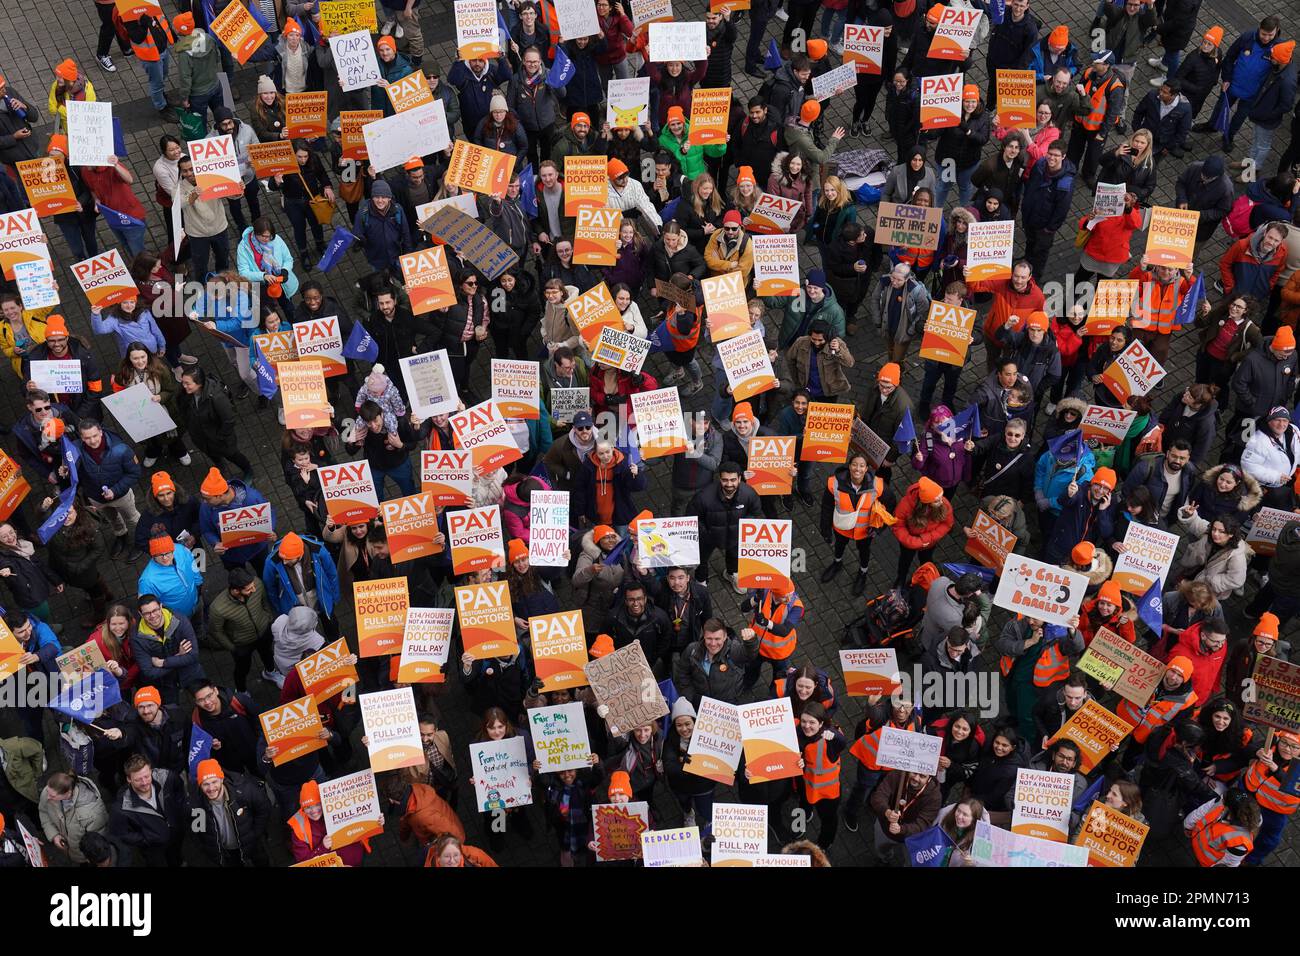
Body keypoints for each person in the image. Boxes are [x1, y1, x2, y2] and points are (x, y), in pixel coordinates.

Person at [819, 452, 895, 594]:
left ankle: (863, 572)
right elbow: (827, 507)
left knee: (864, 552)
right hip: (841, 528)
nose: (857, 469)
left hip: (865, 531)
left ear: (866, 469)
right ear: (849, 466)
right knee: (839, 546)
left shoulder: (877, 485)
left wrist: (879, 528)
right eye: (854, 465)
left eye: (861, 466)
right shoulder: (834, 483)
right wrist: (825, 529)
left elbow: (891, 504)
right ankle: (837, 563)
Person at [108, 754, 187, 867]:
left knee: (175, 855)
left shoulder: (167, 777)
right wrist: (146, 838)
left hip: (176, 833)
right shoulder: (121, 807)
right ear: (129, 779)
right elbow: (121, 833)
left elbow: (179, 790)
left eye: (146, 776)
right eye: (138, 779)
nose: (145, 782)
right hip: (153, 847)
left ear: (151, 771)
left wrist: (179, 811)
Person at [190, 759, 272, 867]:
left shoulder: (244, 790)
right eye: (206, 784)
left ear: (221, 779)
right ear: (200, 785)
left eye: (214, 782)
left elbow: (264, 808)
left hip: (252, 844)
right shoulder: (197, 806)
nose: (211, 788)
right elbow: (198, 832)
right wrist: (210, 849)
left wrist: (255, 833)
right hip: (227, 853)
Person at [38, 772, 109, 866]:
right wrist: (54, 835)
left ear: (68, 793)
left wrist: (90, 859)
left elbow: (98, 844)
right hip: (70, 851)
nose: (48, 797)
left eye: (52, 796)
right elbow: (43, 812)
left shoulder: (92, 813)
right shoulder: (50, 791)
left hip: (84, 858)